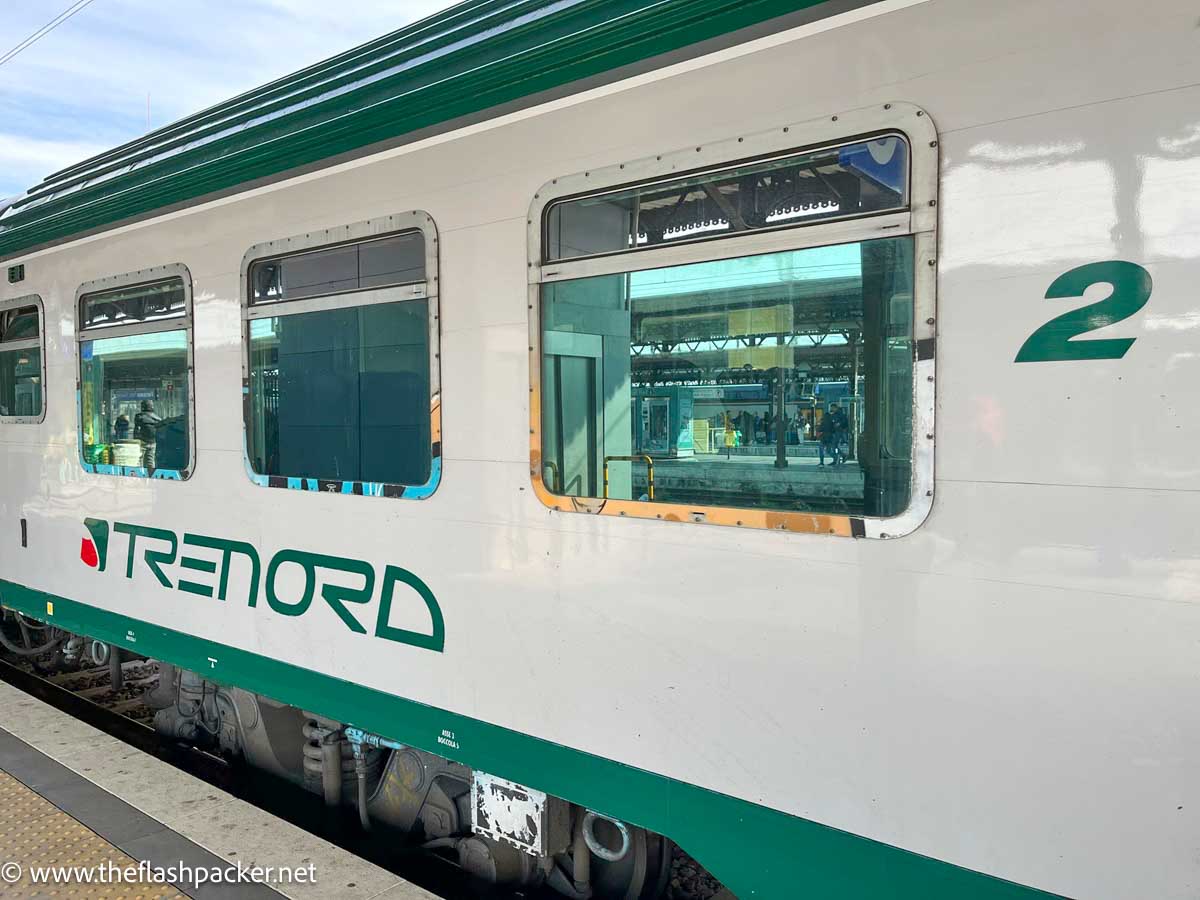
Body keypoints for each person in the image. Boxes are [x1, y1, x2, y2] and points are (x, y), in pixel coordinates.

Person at [133, 400, 166, 470]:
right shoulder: (158, 418)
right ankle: (151, 475)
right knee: (150, 461)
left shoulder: (139, 416)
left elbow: (136, 430)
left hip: (141, 442)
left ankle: (140, 476)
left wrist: (135, 440)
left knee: (139, 460)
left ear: (143, 406)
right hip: (153, 442)